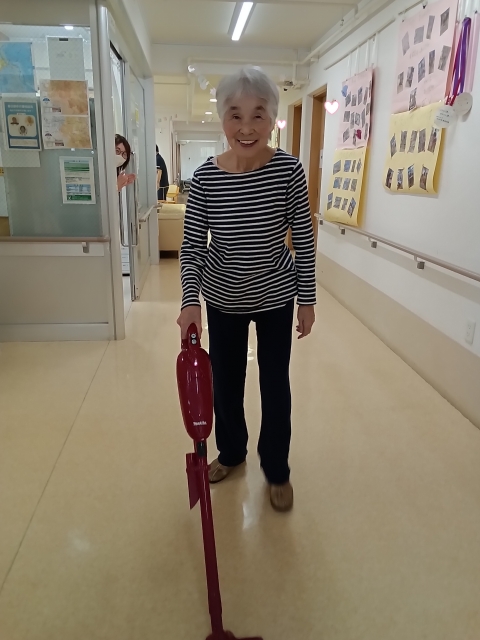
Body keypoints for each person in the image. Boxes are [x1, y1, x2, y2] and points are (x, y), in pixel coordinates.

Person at [177, 67, 316, 512]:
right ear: (222, 119)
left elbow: (304, 237)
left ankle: (276, 468)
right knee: (226, 382)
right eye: (235, 115)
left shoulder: (289, 171)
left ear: (273, 119)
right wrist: (190, 301)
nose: (247, 127)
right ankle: (233, 452)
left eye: (259, 114)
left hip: (276, 296)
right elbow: (192, 247)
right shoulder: (205, 178)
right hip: (223, 299)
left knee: (275, 384)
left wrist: (308, 299)